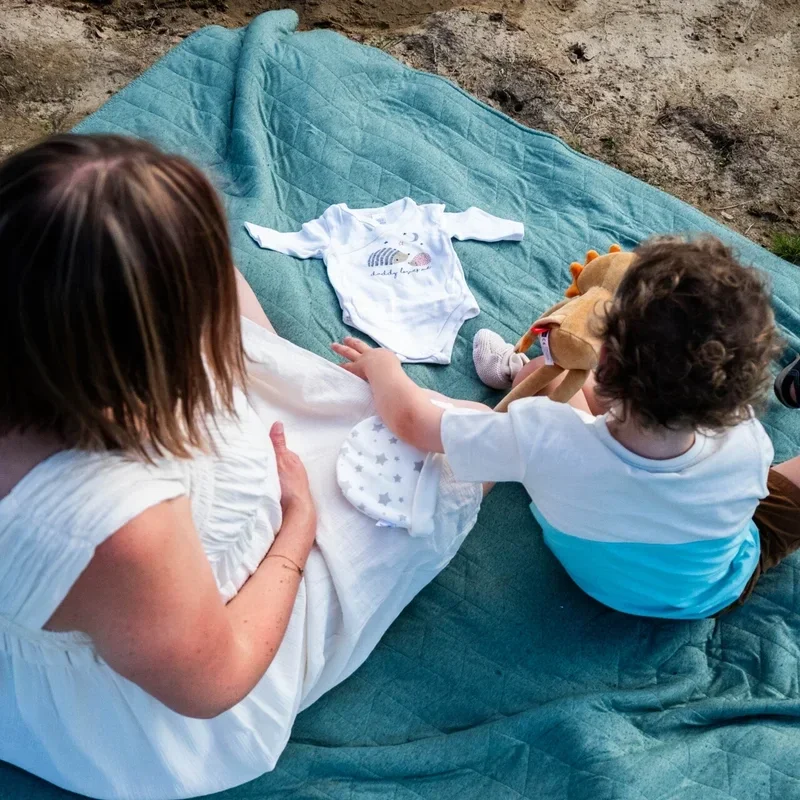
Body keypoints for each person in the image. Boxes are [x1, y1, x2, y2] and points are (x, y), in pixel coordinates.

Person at [0, 135, 483, 800]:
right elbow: (216, 680)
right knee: (451, 447)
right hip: (182, 654)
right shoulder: (119, 526)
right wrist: (295, 537)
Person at [333, 236, 800, 620]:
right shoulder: (748, 445)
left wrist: (383, 367)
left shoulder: (543, 436)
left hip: (604, 583)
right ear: (738, 397)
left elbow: (413, 421)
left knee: (544, 375)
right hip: (712, 588)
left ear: (604, 359)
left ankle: (519, 371)